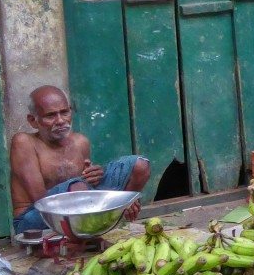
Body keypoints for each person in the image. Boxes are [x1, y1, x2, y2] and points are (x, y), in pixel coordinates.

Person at [10, 86, 151, 233]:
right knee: (78, 190)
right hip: (33, 219)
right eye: (50, 116)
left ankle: (114, 219)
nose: (60, 120)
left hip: (76, 211)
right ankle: (91, 231)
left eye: (64, 112)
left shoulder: (80, 142)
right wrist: (85, 190)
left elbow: (86, 187)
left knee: (140, 165)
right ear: (33, 121)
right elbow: (40, 200)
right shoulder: (24, 142)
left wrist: (96, 176)